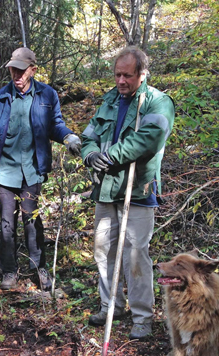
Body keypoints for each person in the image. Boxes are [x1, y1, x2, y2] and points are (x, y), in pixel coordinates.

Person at [80, 46, 175, 339]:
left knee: (136, 255)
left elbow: (150, 138)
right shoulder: (110, 100)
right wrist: (91, 153)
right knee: (103, 250)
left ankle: (143, 317)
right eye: (118, 74)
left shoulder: (158, 102)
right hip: (106, 190)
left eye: (128, 76)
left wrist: (111, 156)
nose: (121, 81)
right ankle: (111, 305)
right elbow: (89, 134)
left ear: (142, 74)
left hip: (138, 190)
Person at [0, 47, 81, 291]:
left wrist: (69, 138)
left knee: (31, 221)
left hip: (33, 170)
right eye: (14, 69)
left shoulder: (47, 95)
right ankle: (9, 272)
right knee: (6, 225)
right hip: (5, 171)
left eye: (22, 70)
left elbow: (55, 125)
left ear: (33, 70)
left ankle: (39, 269)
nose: (17, 75)